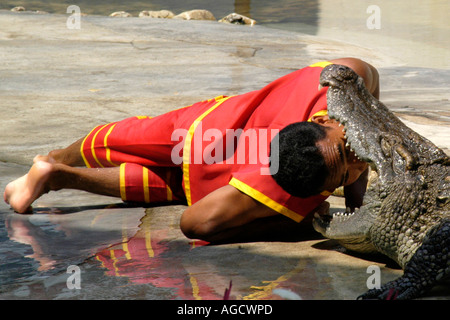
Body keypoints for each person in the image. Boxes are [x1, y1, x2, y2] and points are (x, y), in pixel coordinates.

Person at [4, 57, 379, 244]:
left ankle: (53, 171)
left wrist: (353, 195)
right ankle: (56, 163)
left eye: (350, 161)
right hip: (207, 144)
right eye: (348, 151)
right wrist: (297, 225)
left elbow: (368, 76)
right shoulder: (280, 187)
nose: (360, 157)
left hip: (209, 132)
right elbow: (194, 222)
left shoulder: (339, 83)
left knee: (139, 145)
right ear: (324, 123)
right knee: (138, 148)